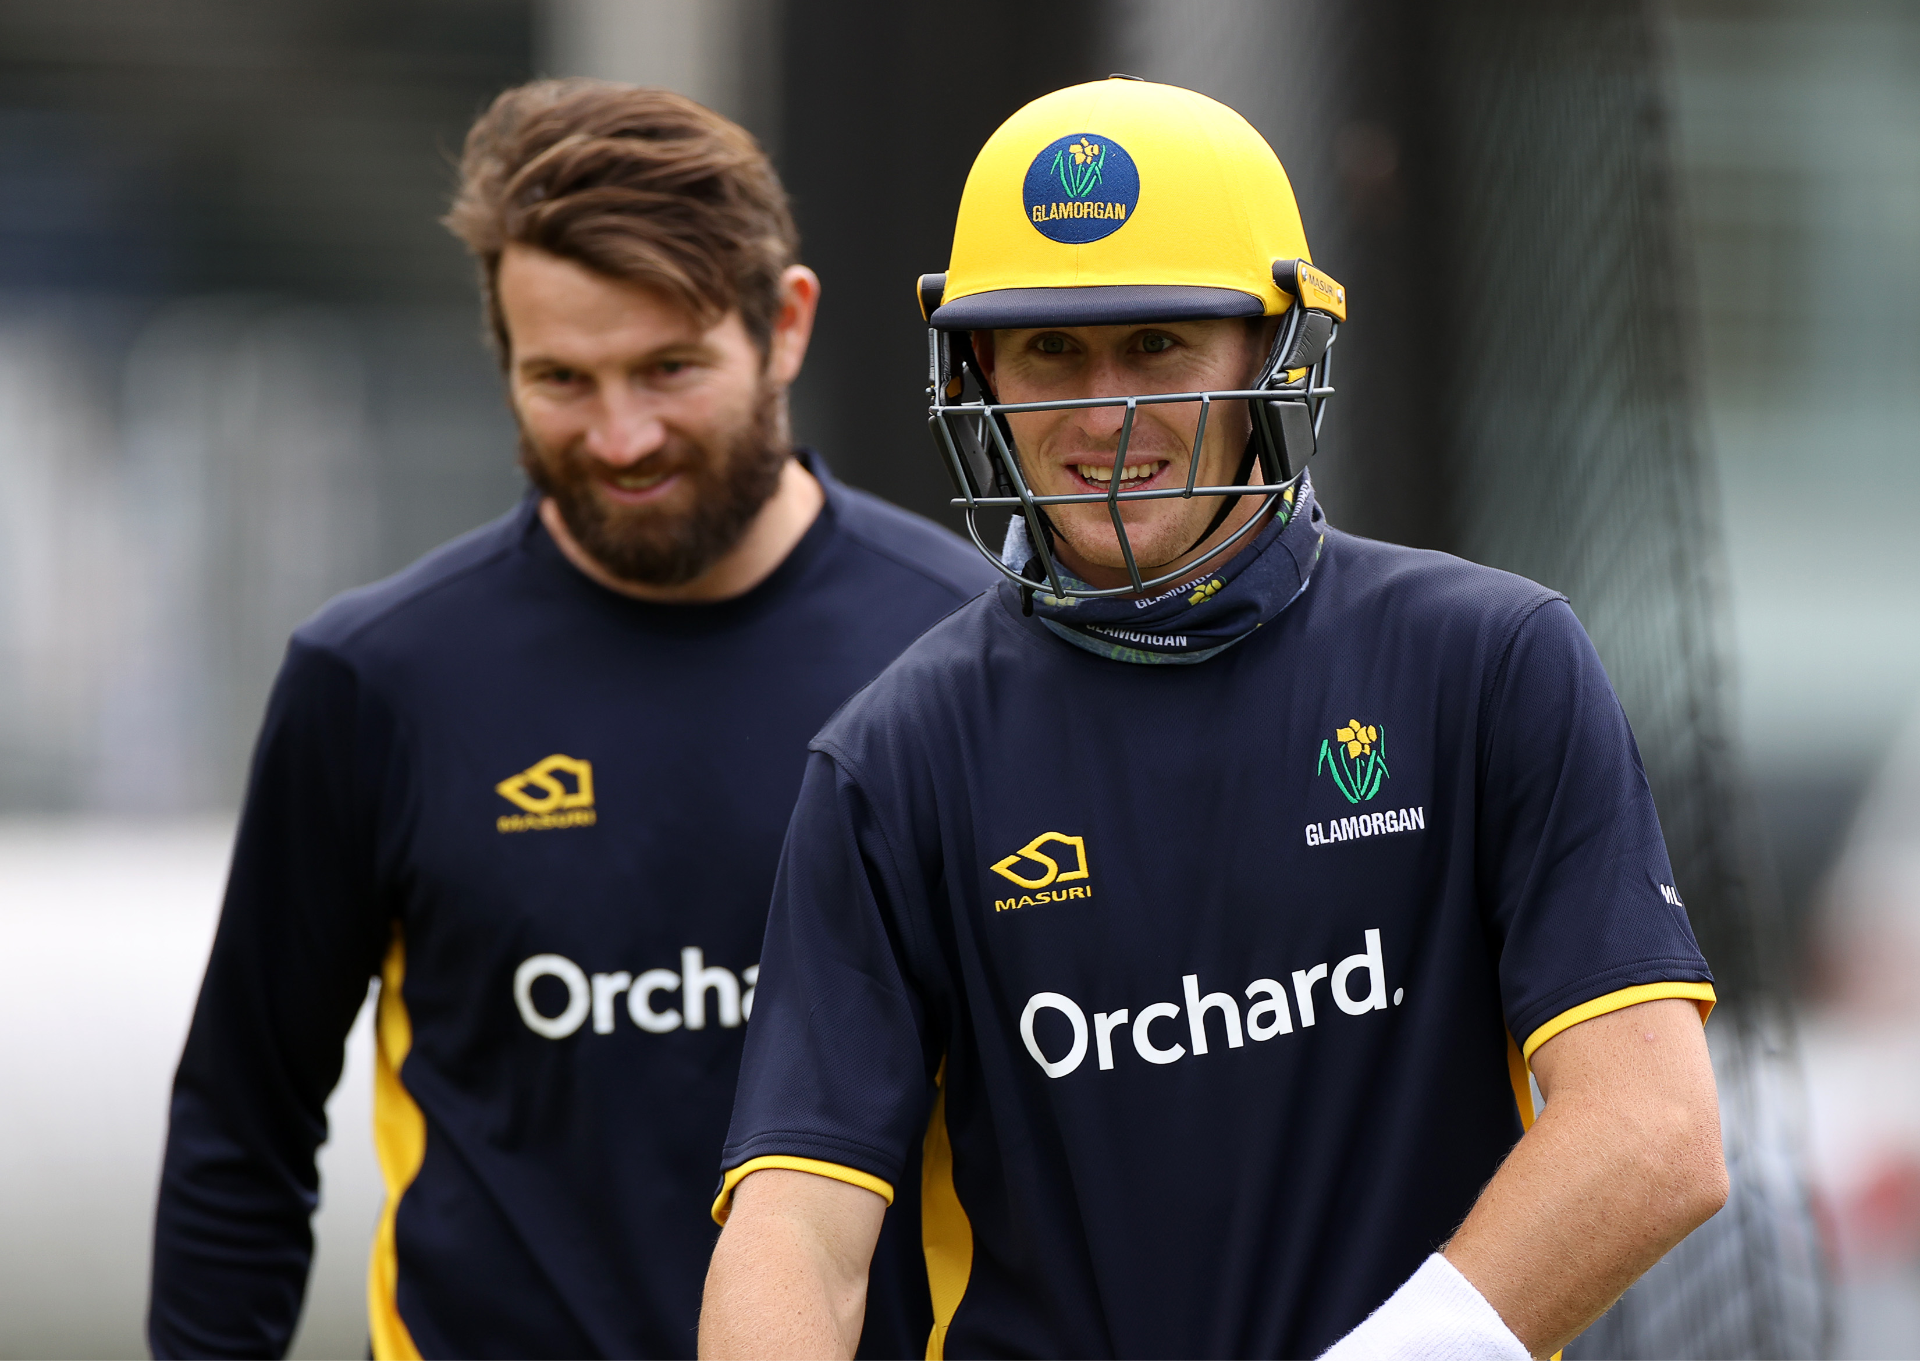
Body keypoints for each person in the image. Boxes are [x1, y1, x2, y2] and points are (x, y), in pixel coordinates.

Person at [701, 77, 1728, 1361]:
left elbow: (1654, 1131)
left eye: (1159, 343)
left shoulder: (1487, 659)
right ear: (975, 369)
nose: (1101, 414)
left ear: (1271, 351)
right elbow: (795, 1234)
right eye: (1050, 351)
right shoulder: (892, 759)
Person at [148, 80, 995, 1361]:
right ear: (501, 352)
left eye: (670, 368)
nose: (622, 434)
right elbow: (239, 1129)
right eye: (561, 378)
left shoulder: (966, 649)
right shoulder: (374, 681)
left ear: (787, 325)